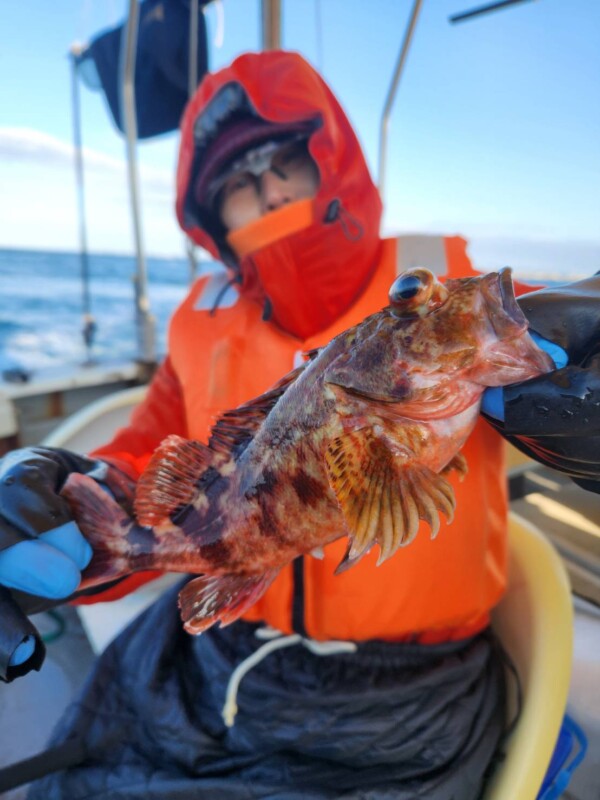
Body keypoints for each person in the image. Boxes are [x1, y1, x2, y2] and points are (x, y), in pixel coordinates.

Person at [0, 50, 597, 798]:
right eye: (238, 182)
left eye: (286, 157)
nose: (268, 186)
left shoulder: (443, 292)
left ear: (333, 159)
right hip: (230, 649)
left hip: (410, 689)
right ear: (212, 216)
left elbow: (571, 322)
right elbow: (148, 448)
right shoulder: (196, 323)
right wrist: (72, 497)